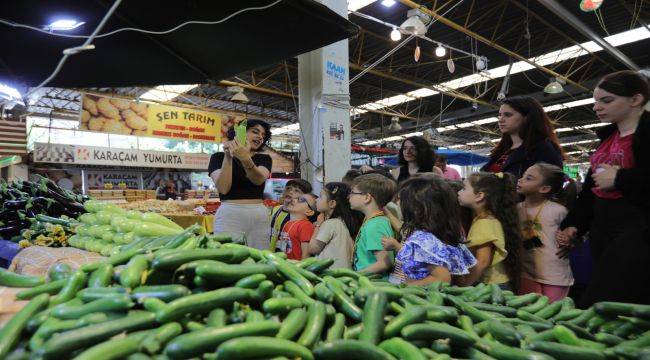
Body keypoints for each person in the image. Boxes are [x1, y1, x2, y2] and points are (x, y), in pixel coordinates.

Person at [557, 70, 650, 307]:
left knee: (607, 298)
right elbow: (592, 189)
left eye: (606, 101)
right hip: (603, 226)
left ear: (636, 99)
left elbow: (616, 180)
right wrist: (575, 223)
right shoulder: (609, 137)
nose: (597, 107)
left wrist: (621, 179)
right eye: (596, 101)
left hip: (636, 226)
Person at [382, 177, 476, 285]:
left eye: (400, 200)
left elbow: (442, 279)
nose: (396, 203)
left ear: (418, 208)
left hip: (421, 296)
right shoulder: (439, 233)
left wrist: (405, 288)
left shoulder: (423, 240)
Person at [209, 119, 273, 250]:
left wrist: (245, 158)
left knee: (260, 257)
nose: (260, 137)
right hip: (230, 213)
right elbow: (223, 188)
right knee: (228, 255)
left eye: (263, 135)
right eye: (255, 131)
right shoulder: (218, 157)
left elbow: (258, 179)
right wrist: (228, 157)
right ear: (239, 132)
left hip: (259, 214)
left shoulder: (264, 159)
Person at [516, 163, 573, 302]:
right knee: (527, 313)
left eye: (528, 178)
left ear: (544, 188)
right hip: (527, 273)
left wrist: (571, 242)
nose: (520, 179)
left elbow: (575, 235)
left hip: (554, 276)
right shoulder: (515, 209)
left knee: (552, 315)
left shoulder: (557, 211)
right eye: (522, 176)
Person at [456, 172, 522, 291]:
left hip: (492, 286)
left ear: (479, 196)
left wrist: (463, 287)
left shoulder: (484, 223)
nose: (459, 192)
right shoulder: (488, 218)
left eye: (464, 188)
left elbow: (483, 262)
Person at [481, 96, 563, 180]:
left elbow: (552, 183)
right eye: (500, 115)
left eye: (508, 115)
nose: (500, 120)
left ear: (527, 118)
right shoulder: (500, 151)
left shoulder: (543, 149)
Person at [349, 173, 397, 277]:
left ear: (367, 197)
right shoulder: (374, 221)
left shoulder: (375, 225)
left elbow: (384, 263)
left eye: (353, 192)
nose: (349, 196)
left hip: (374, 285)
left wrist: (354, 276)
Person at [307, 183, 363, 269]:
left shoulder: (330, 224)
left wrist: (318, 225)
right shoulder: (344, 222)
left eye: (321, 197)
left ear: (332, 203)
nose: (316, 200)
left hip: (331, 275)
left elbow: (313, 248)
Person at [269, 179, 313, 251]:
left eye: (296, 191)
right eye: (288, 188)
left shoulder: (297, 215)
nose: (290, 192)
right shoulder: (275, 209)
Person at [277, 193, 319, 260]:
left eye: (301, 200)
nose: (293, 200)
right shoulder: (288, 223)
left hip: (295, 268)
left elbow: (305, 256)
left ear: (309, 212)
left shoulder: (306, 226)